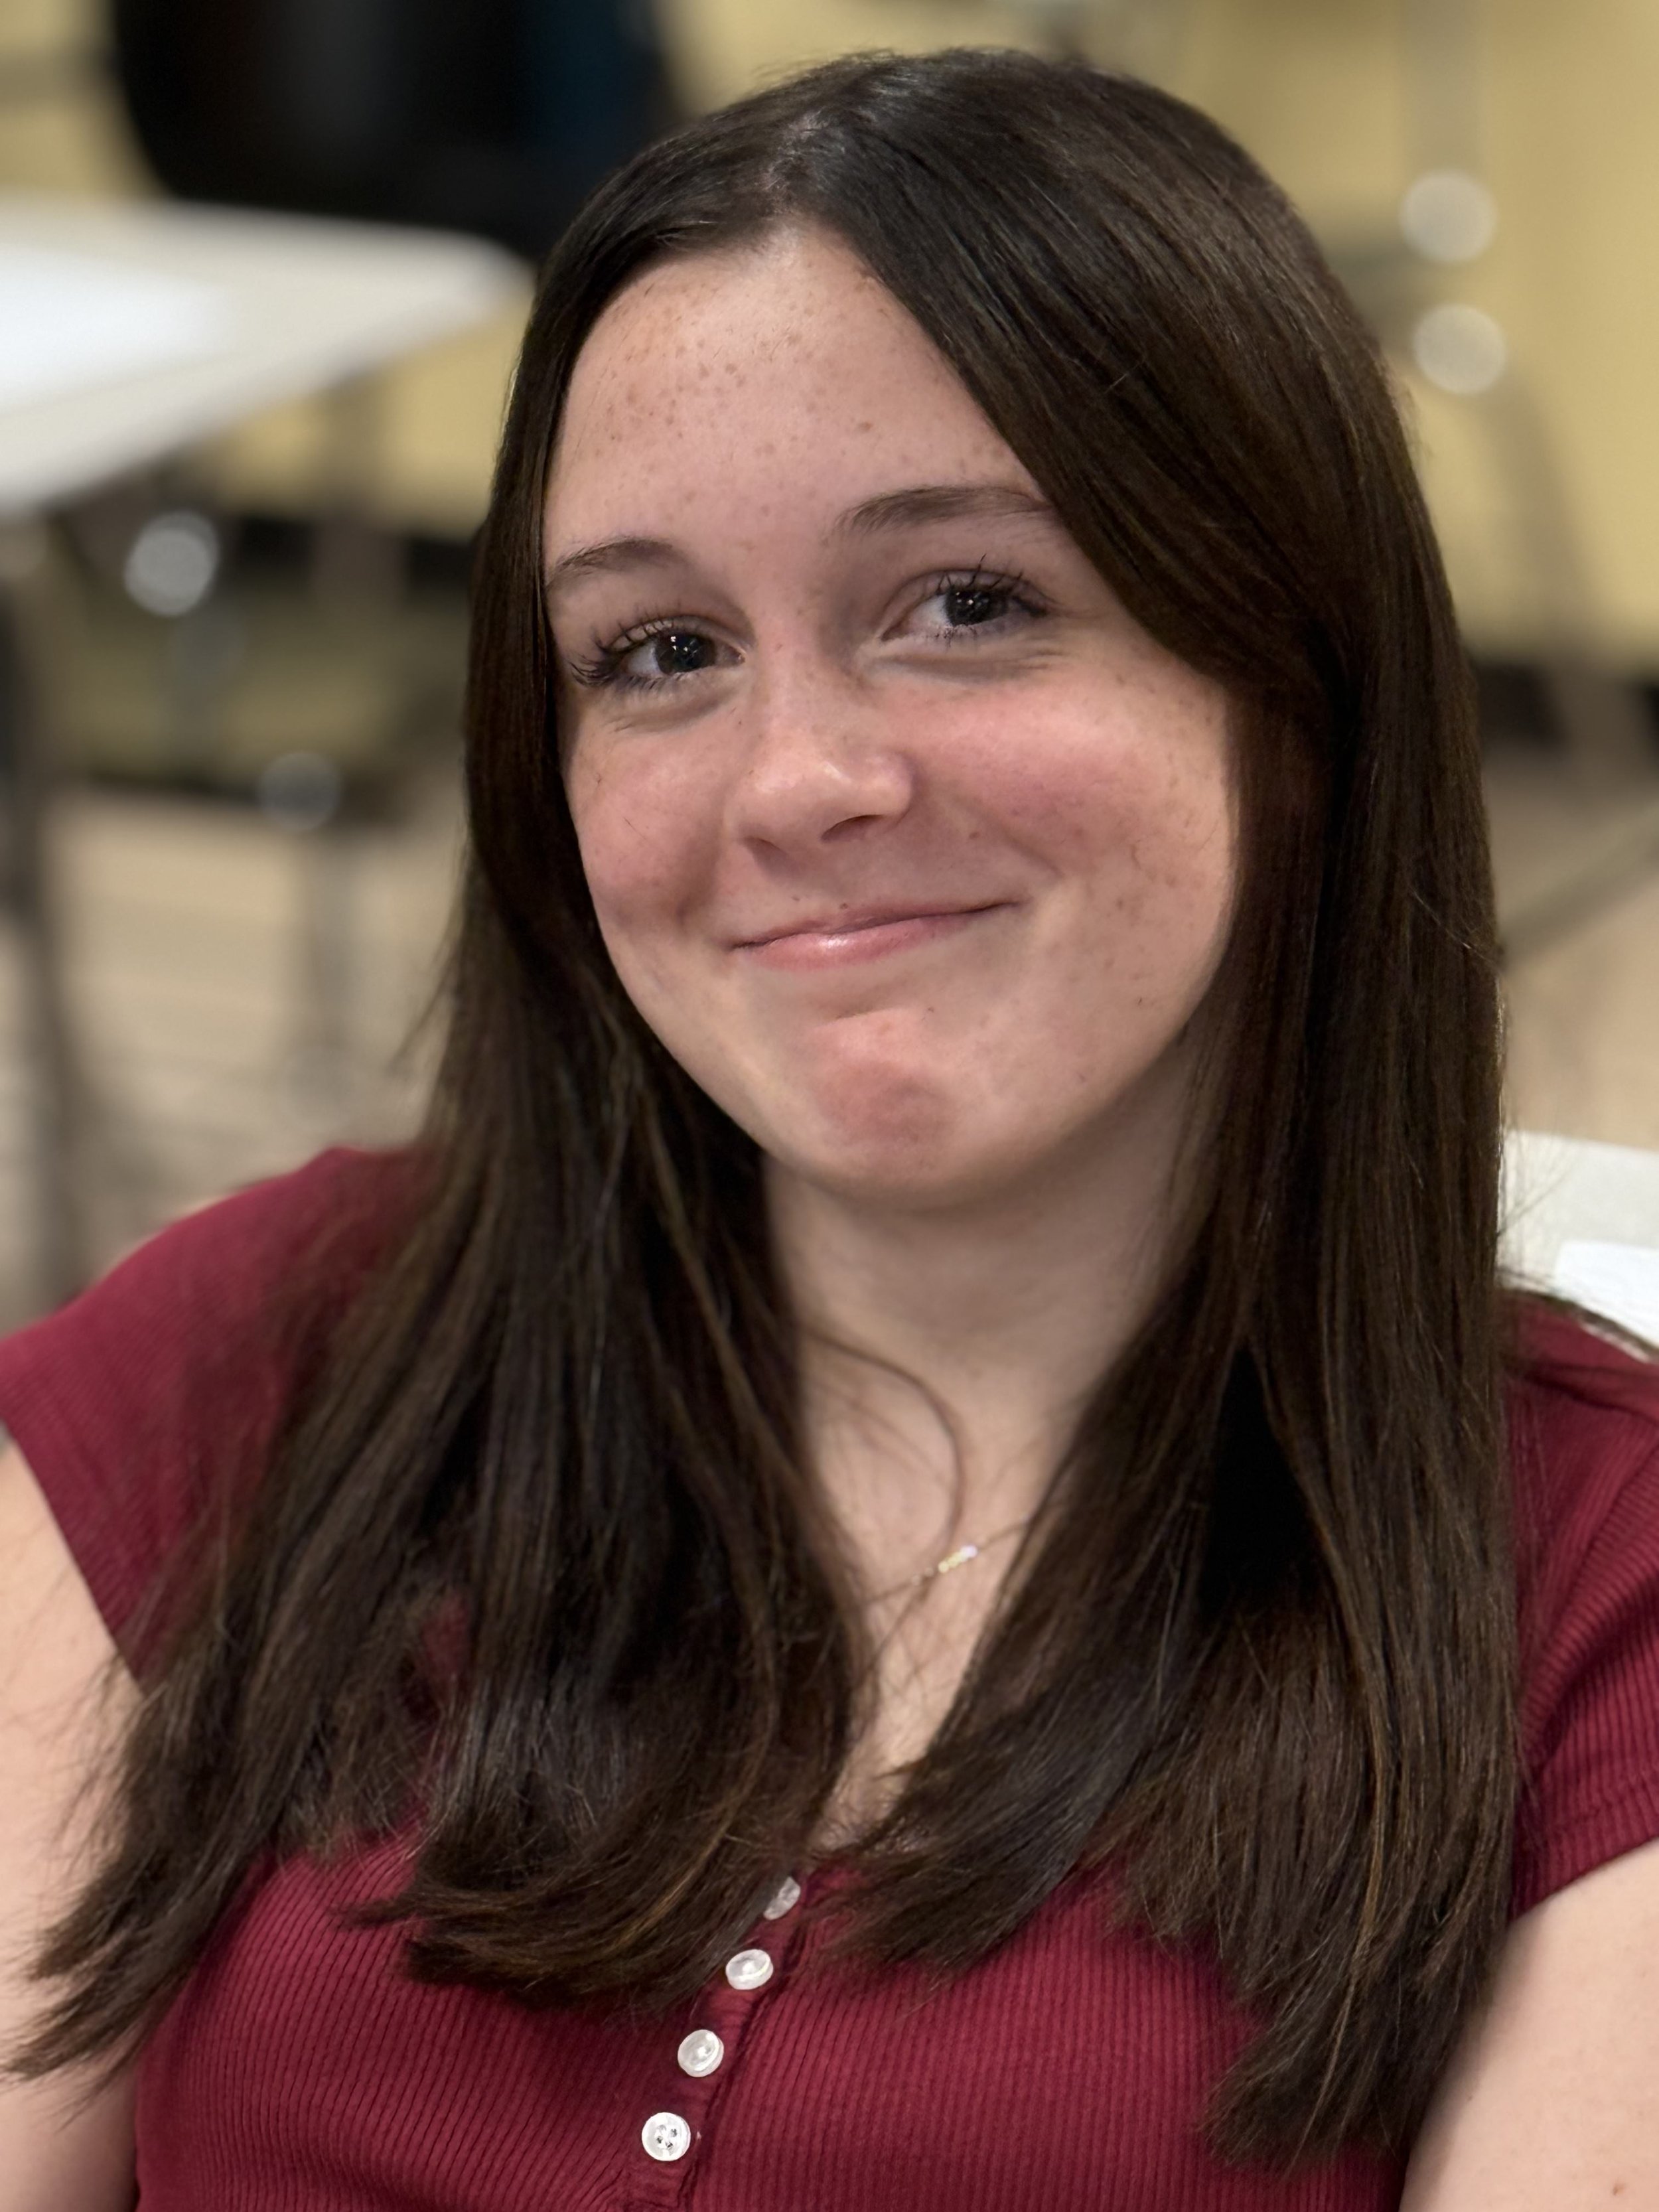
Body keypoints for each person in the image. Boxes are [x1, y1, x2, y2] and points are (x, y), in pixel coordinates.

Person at [3, 46, 1658, 2212]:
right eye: (661, 650)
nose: (796, 785)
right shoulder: (249, 1358)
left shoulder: (1588, 1602)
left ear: (1298, 686)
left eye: (966, 603)